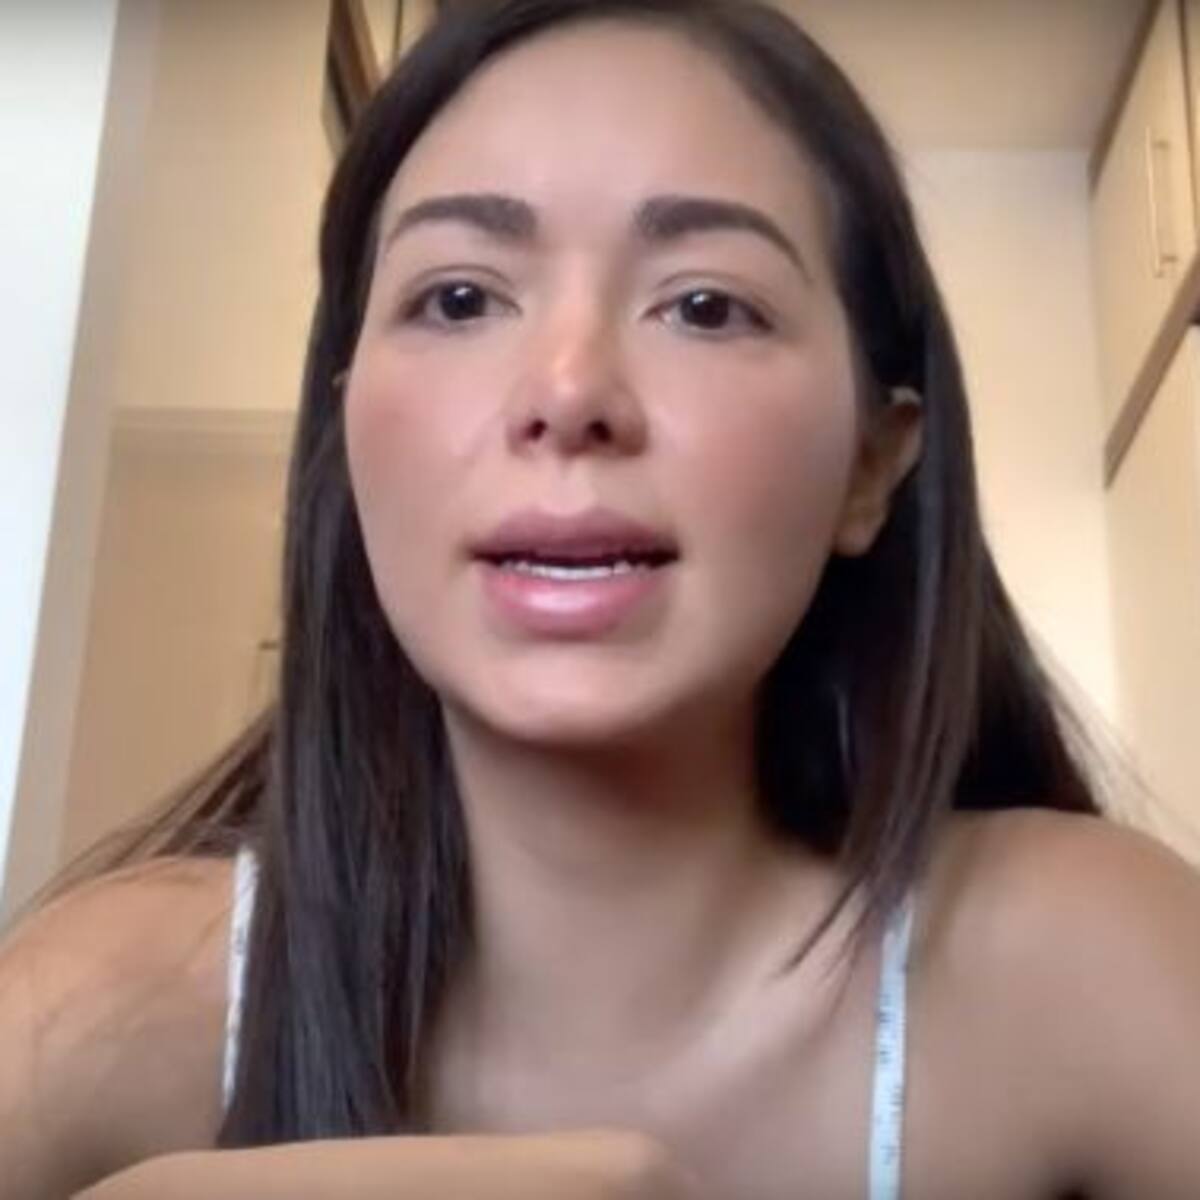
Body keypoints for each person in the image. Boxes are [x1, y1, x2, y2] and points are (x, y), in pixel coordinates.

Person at [2, 0, 1198, 1196]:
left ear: (872, 465)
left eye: (705, 306)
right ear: (346, 432)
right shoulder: (94, 1012)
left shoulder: (1091, 969)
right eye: (459, 299)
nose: (569, 393)